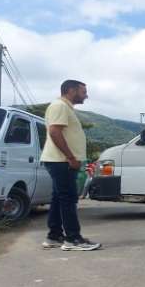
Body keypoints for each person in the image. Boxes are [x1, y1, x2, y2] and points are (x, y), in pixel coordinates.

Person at [40, 80, 102, 251]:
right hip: (62, 161)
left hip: (60, 161)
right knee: (68, 199)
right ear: (70, 90)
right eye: (83, 92)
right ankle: (73, 239)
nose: (86, 95)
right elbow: (54, 131)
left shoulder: (65, 107)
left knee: (59, 198)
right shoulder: (59, 106)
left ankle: (54, 236)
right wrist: (70, 157)